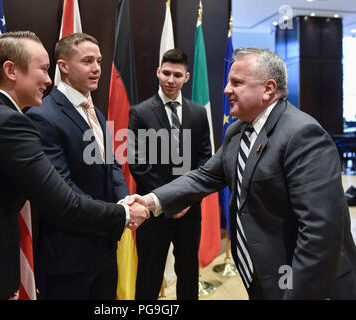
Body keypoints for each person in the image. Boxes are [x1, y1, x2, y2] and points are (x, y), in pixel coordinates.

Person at [0, 31, 149, 300]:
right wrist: (122, 214)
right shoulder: (8, 124)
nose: (49, 80)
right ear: (11, 71)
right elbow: (62, 201)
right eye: (43, 69)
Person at [130, 47, 356, 299]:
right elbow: (204, 176)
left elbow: (320, 233)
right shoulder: (238, 131)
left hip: (300, 282)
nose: (227, 89)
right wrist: (151, 201)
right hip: (261, 275)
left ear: (268, 89)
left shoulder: (303, 134)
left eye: (236, 83)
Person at [25, 33, 131, 300]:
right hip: (69, 254)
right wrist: (116, 214)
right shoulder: (43, 115)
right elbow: (62, 187)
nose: (96, 68)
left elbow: (112, 165)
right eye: (87, 61)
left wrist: (126, 202)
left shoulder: (95, 111)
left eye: (99, 61)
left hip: (105, 246)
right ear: (63, 66)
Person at [128, 49, 212, 300]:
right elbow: (138, 163)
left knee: (188, 275)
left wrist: (185, 199)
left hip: (189, 210)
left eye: (177, 74)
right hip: (153, 211)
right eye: (166, 73)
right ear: (158, 72)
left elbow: (205, 160)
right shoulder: (140, 112)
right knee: (149, 278)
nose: (170, 79)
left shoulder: (198, 113)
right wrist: (168, 201)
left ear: (186, 77)